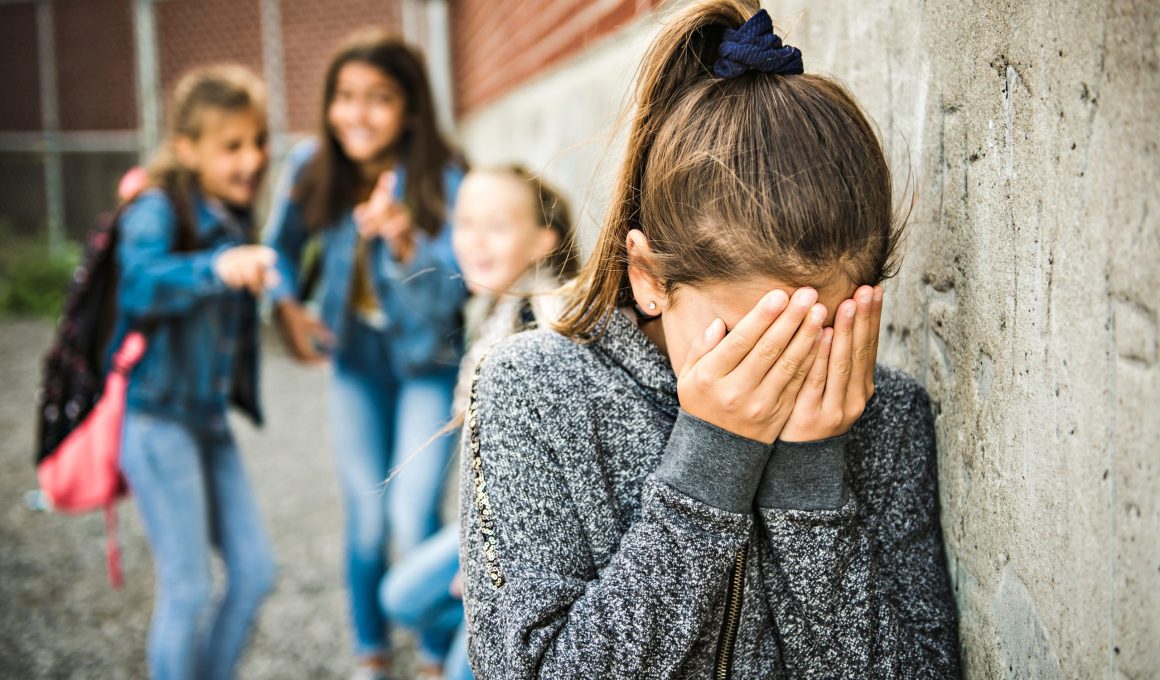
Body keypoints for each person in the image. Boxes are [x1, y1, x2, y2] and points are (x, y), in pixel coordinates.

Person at [458, 2, 961, 678]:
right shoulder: (532, 389)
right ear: (649, 279)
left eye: (816, 333)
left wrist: (811, 481)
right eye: (748, 340)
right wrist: (710, 466)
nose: (779, 375)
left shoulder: (885, 414)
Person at [263, 28, 466, 679]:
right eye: (345, 96)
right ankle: (371, 650)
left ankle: (438, 651)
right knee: (369, 518)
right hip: (356, 365)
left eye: (379, 98)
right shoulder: (310, 166)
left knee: (412, 514)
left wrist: (408, 244)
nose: (357, 113)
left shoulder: (444, 177)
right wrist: (288, 306)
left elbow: (455, 296)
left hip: (428, 365)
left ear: (411, 108)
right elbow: (279, 252)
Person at [380, 165, 579, 680]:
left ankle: (522, 641)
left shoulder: (546, 318)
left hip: (530, 540)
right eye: (464, 223)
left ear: (542, 241)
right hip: (489, 523)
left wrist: (491, 566)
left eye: (496, 225)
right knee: (400, 597)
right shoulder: (491, 309)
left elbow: (551, 466)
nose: (474, 240)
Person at [115, 64, 278, 680]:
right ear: (186, 148)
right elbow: (138, 284)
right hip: (157, 421)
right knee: (186, 589)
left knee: (256, 573)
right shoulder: (157, 208)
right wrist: (216, 268)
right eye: (231, 145)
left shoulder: (232, 216)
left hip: (207, 422)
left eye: (257, 142)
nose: (252, 158)